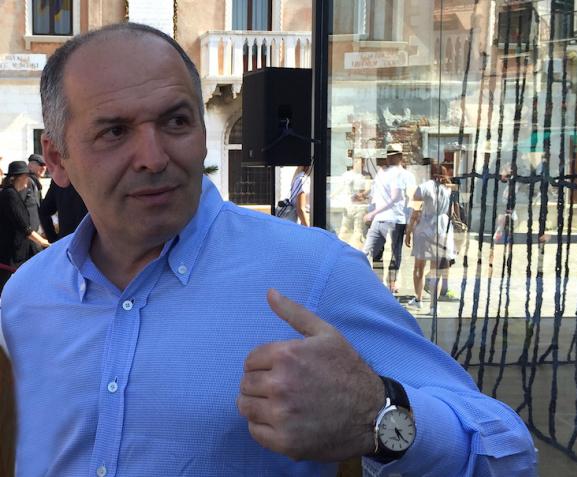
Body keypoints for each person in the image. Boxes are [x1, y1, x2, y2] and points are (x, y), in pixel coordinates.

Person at [0, 23, 537, 476]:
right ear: (58, 158)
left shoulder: (313, 272)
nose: (153, 156)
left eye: (176, 121)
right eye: (115, 131)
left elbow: (508, 452)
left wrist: (377, 414)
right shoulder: (25, 298)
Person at [405, 164, 457, 313]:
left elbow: (415, 212)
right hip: (442, 228)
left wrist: (408, 231)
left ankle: (418, 299)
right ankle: (434, 305)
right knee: (435, 270)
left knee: (419, 267)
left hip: (425, 227)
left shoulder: (423, 188)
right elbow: (452, 211)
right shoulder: (448, 189)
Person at [363, 144, 408, 293]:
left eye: (393, 155)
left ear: (399, 157)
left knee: (394, 254)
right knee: (368, 252)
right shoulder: (381, 173)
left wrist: (373, 213)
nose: (389, 157)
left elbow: (396, 198)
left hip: (394, 219)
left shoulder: (399, 174)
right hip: (379, 218)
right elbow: (374, 194)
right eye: (388, 155)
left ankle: (391, 284)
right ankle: (374, 284)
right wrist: (368, 206)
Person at [0, 161, 49, 292]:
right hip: (11, 255)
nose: (28, 180)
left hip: (16, 252)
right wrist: (43, 242)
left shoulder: (12, 194)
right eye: (26, 177)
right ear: (20, 177)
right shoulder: (9, 195)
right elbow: (24, 226)